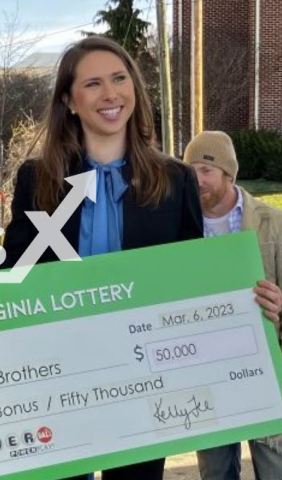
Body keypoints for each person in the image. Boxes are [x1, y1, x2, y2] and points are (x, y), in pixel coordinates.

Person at [0, 36, 280, 480]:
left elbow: (196, 284)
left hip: (145, 388)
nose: (110, 94)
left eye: (119, 79)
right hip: (60, 385)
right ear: (69, 101)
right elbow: (12, 275)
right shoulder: (38, 180)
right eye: (92, 84)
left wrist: (255, 303)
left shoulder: (176, 181)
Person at [184, 131, 282, 480]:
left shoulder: (273, 223)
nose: (197, 179)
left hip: (266, 371)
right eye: (190, 169)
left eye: (206, 170)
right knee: (215, 473)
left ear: (228, 174)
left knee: (274, 469)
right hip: (207, 375)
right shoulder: (180, 229)